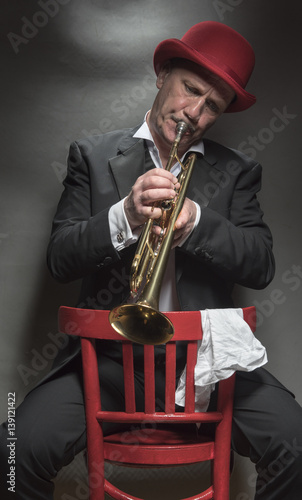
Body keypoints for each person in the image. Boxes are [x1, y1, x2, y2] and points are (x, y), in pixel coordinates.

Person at [1, 20, 302, 500]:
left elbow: (260, 265)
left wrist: (199, 222)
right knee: (11, 450)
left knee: (297, 443)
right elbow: (60, 258)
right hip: (109, 363)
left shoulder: (238, 172)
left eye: (213, 106)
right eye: (190, 89)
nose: (195, 113)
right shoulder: (93, 157)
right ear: (163, 74)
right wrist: (124, 217)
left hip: (207, 366)